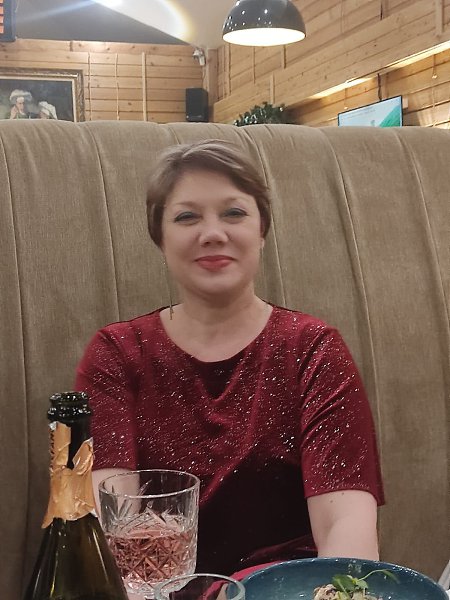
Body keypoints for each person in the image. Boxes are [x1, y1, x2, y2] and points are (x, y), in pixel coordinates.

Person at [75, 140, 384, 576]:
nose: (213, 233)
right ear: (160, 238)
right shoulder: (117, 354)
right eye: (187, 217)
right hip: (158, 588)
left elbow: (345, 524)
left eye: (234, 213)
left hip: (287, 588)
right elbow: (111, 525)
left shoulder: (314, 349)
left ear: (261, 231)